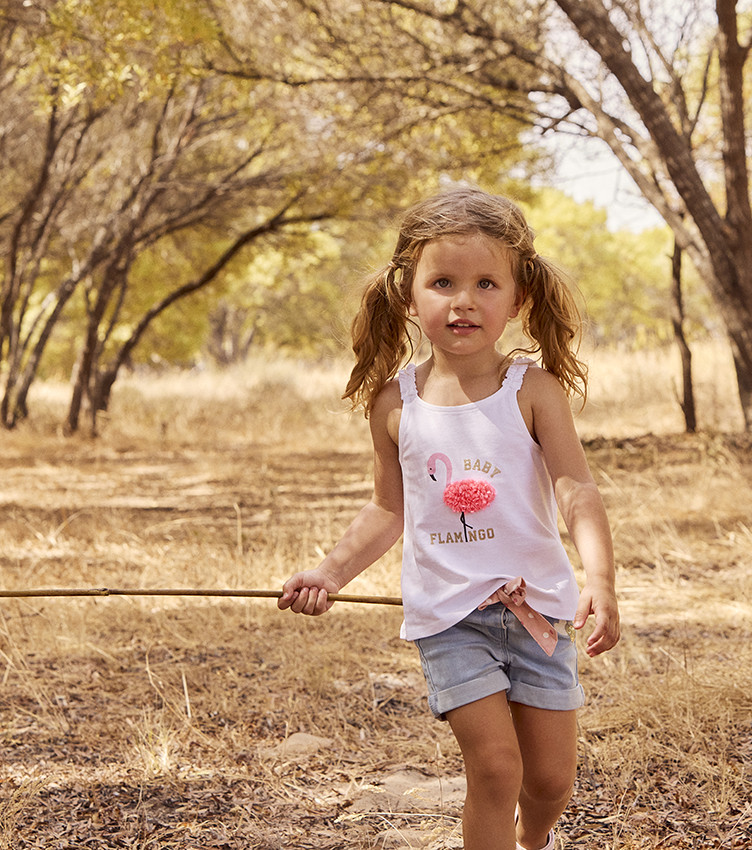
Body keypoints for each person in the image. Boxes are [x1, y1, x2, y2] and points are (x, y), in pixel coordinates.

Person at [279, 186, 620, 850]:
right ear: (409, 296)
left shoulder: (533, 391)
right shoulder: (394, 403)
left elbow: (576, 488)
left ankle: (533, 841)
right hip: (450, 618)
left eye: (486, 283)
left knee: (551, 780)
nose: (464, 300)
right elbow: (388, 508)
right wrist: (329, 573)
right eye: (443, 283)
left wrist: (600, 580)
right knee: (495, 768)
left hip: (537, 610)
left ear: (517, 299)